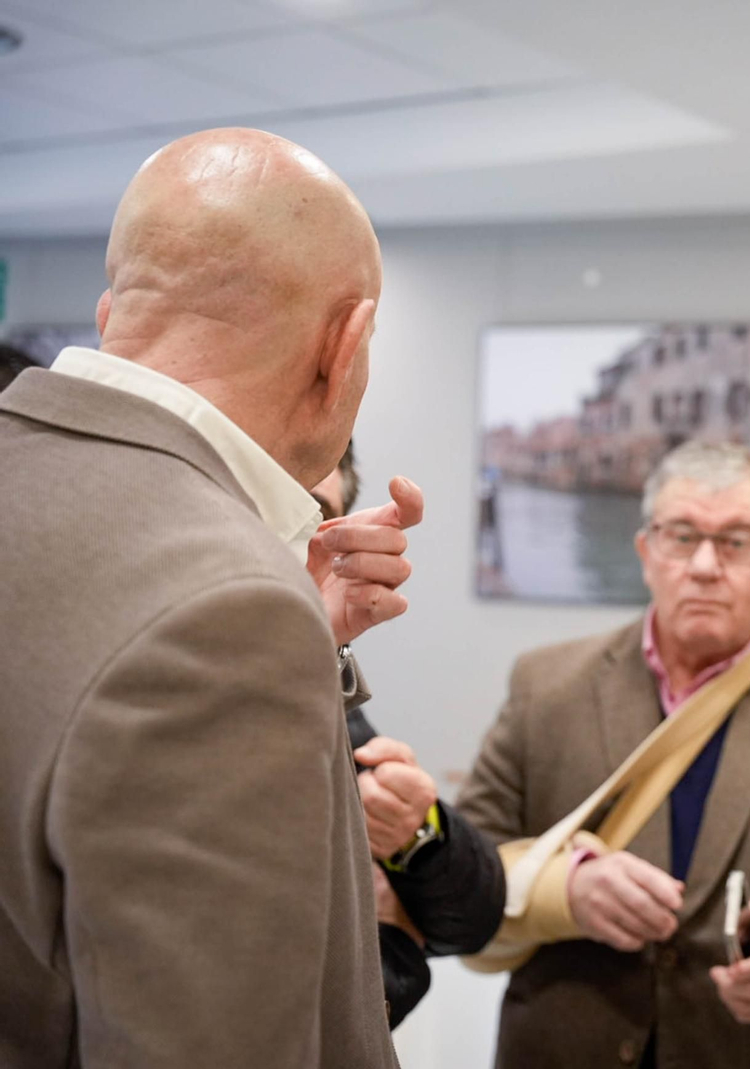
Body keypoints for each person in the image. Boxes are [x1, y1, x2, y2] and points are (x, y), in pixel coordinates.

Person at [0, 128, 420, 1067]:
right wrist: (266, 623)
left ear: (114, 313)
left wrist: (301, 636)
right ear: (344, 345)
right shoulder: (226, 608)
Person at [456, 440, 750, 1069]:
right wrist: (566, 891)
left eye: (737, 542)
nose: (704, 566)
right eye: (681, 536)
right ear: (646, 552)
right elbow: (460, 871)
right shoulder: (546, 687)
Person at [311, 443, 507, 1028]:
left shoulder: (323, 672)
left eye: (316, 518)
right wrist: (396, 944)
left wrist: (416, 831)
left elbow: (477, 915)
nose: (297, 547)